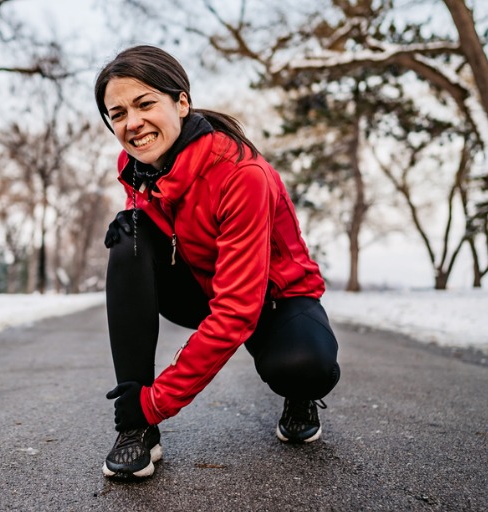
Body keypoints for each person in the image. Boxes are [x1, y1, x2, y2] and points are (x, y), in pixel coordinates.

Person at [96, 45, 341, 479]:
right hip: (201, 284)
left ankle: (300, 396)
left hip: (272, 297)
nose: (132, 124)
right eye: (117, 114)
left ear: (182, 102)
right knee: (127, 233)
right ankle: (137, 428)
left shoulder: (242, 174)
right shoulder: (136, 166)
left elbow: (236, 310)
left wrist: (160, 398)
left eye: (145, 103)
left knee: (304, 365)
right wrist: (141, 407)